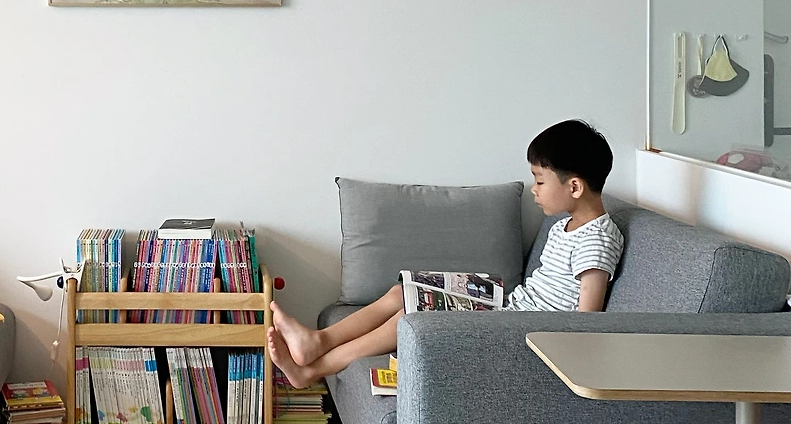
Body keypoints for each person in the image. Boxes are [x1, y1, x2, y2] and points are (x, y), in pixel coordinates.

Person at [267, 120, 625, 388]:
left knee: (410, 315)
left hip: (520, 331)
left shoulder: (597, 240)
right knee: (402, 292)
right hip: (511, 308)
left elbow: (586, 323)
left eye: (540, 180)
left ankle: (312, 370)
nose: (534, 190)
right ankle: (318, 341)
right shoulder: (565, 225)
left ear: (574, 186)